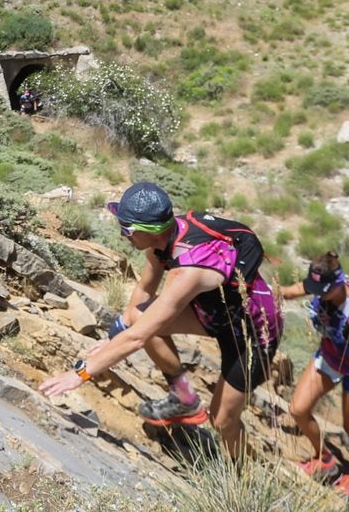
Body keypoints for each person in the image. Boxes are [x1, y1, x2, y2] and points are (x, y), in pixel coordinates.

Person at [38, 183, 281, 459]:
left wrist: (80, 374)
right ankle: (184, 398)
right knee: (138, 316)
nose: (122, 234)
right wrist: (110, 338)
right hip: (213, 313)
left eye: (126, 229)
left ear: (149, 231)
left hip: (252, 333)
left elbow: (138, 337)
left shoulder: (188, 271)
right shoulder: (161, 244)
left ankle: (241, 472)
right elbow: (141, 296)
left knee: (222, 419)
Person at [283, 253, 349, 495]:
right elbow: (290, 291)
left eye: (323, 290)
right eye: (315, 288)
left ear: (339, 282)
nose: (318, 294)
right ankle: (324, 459)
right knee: (298, 409)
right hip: (330, 358)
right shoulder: (324, 288)